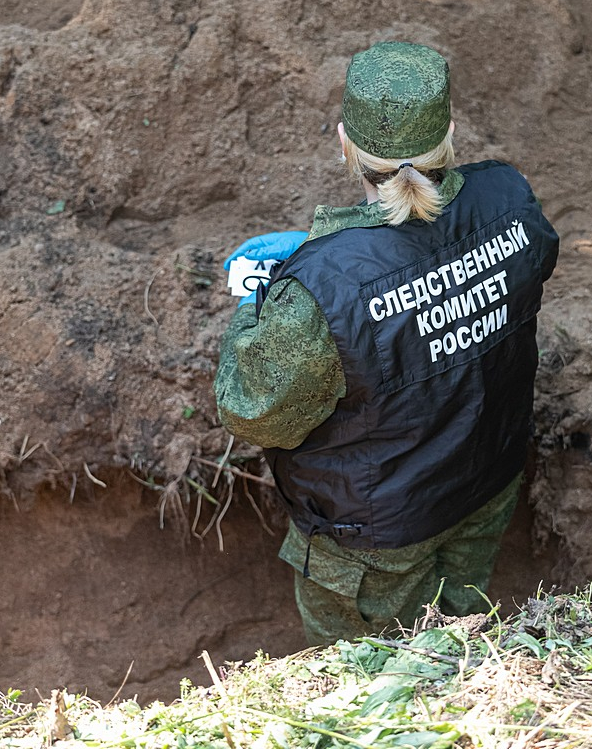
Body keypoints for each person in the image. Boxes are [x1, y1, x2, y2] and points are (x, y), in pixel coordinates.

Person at [213, 41, 559, 646]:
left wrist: (260, 306)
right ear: (449, 133)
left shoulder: (320, 294)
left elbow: (253, 409)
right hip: (485, 484)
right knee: (462, 634)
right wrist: (336, 252)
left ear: (345, 141)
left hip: (377, 534)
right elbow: (450, 258)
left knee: (372, 678)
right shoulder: (510, 199)